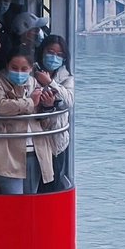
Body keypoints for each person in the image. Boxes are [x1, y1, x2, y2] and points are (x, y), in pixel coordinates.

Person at [0, 50, 56, 195]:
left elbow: (40, 116)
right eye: (14, 68)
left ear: (31, 69)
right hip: (7, 151)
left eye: (24, 69)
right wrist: (30, 102)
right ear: (7, 66)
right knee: (14, 200)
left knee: (30, 199)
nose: (19, 73)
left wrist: (47, 106)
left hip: (35, 150)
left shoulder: (34, 82)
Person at [34, 33, 74, 191]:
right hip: (33, 139)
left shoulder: (66, 78)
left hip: (56, 141)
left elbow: (69, 101)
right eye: (50, 52)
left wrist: (50, 83)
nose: (53, 57)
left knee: (52, 185)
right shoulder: (31, 72)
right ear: (42, 52)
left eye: (59, 55)